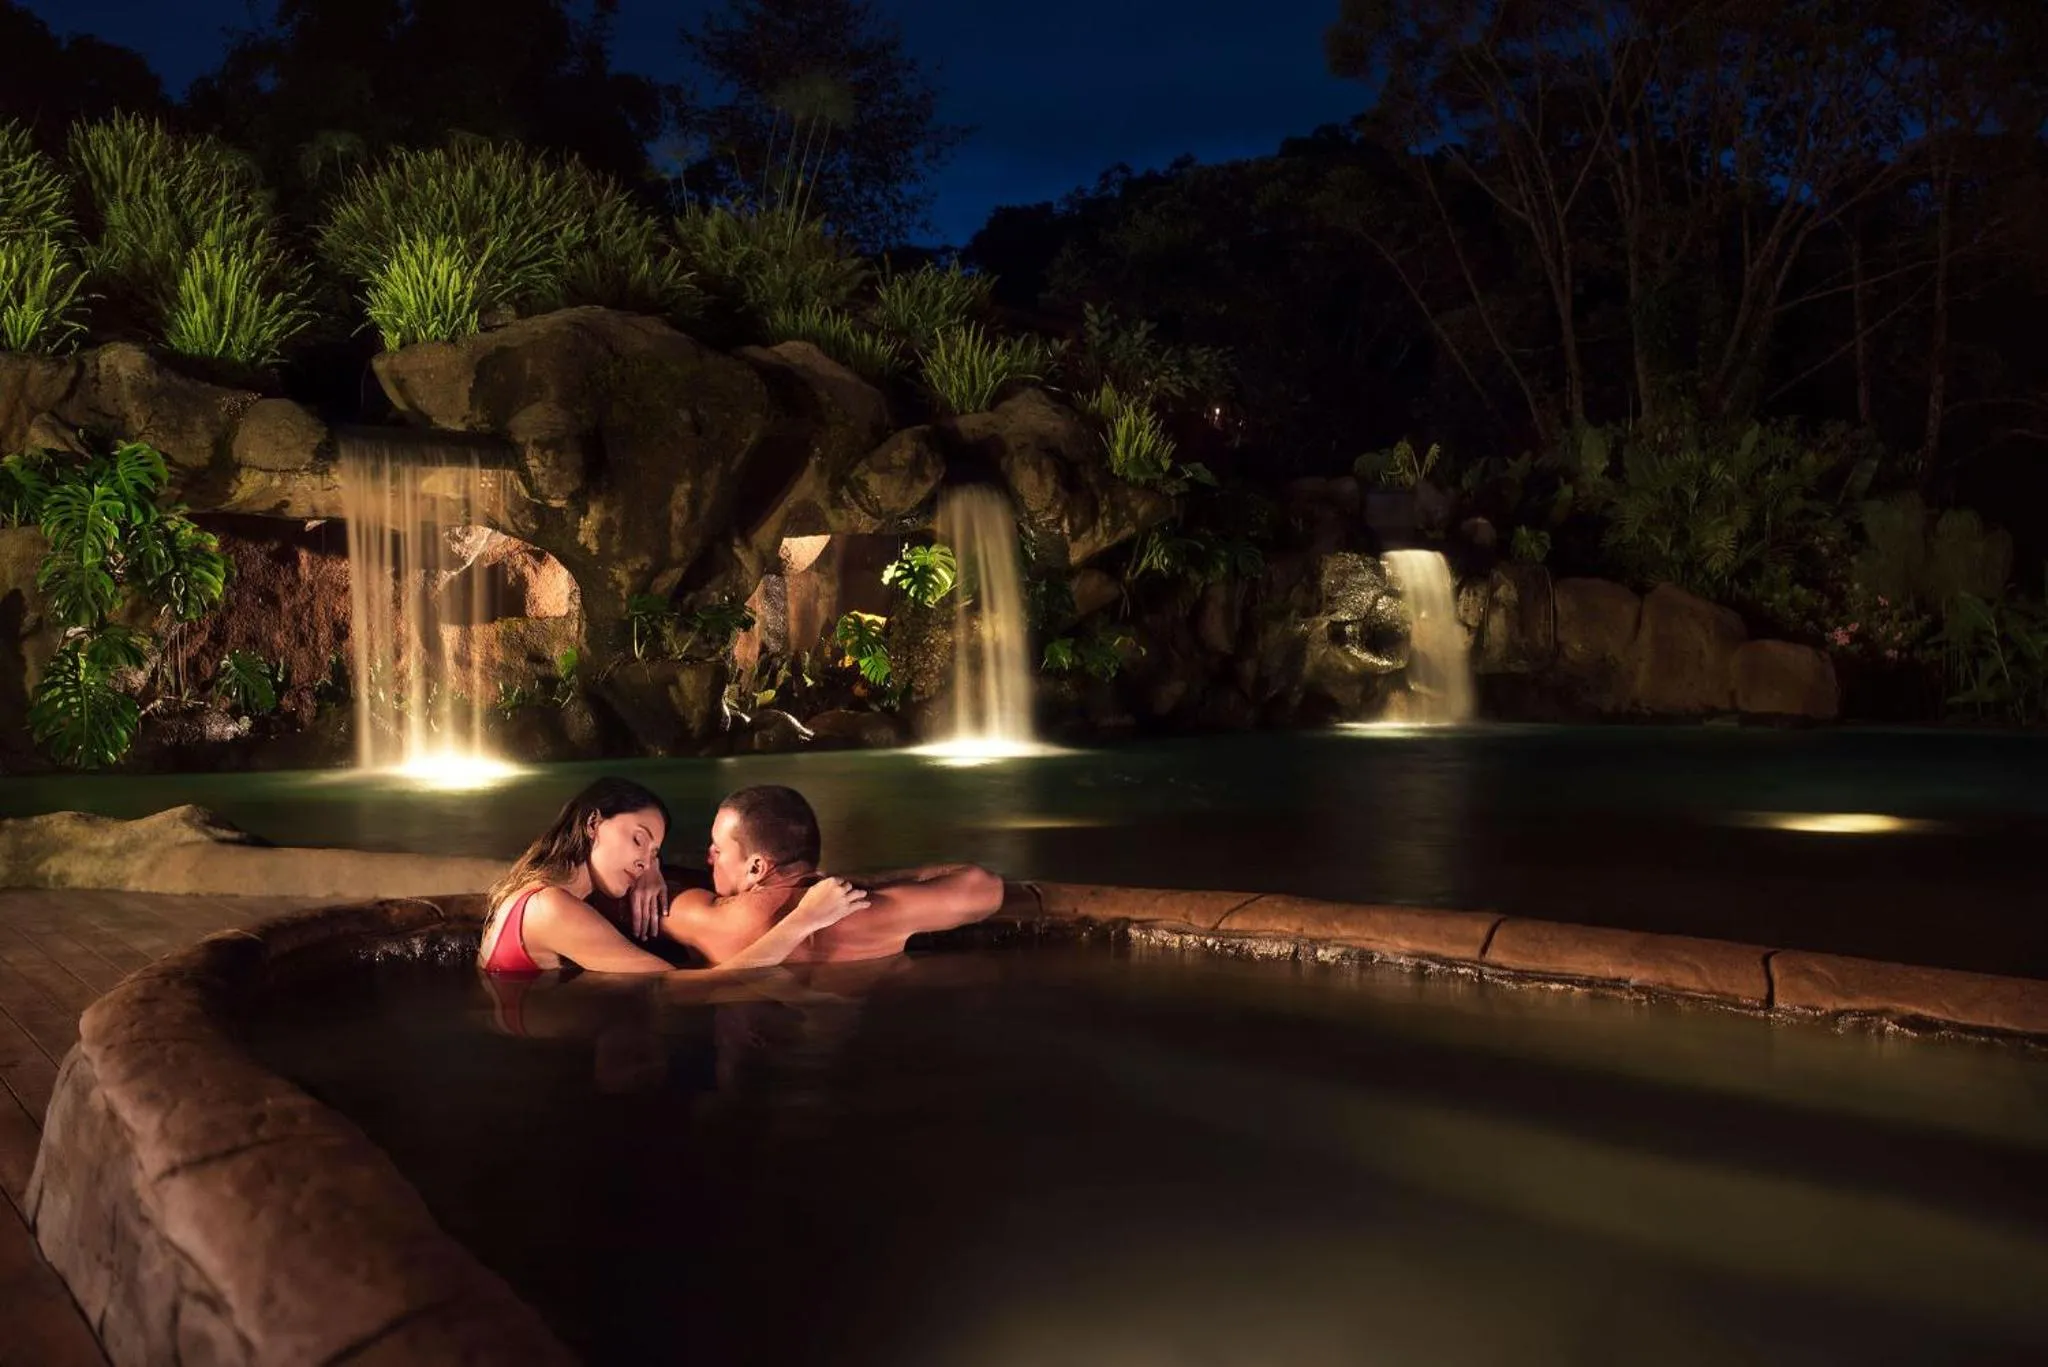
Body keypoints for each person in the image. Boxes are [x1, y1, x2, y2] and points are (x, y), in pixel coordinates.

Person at [478, 777, 869, 977]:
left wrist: (651, 868)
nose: (644, 861)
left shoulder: (540, 888)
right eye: (638, 840)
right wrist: (803, 921)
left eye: (654, 853)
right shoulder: (552, 908)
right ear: (593, 822)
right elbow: (689, 990)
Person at [652, 784, 1006, 966]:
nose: (708, 856)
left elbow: (616, 888)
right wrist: (869, 882)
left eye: (717, 848)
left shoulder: (713, 919)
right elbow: (985, 886)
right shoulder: (877, 911)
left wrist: (650, 872)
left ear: (757, 867)